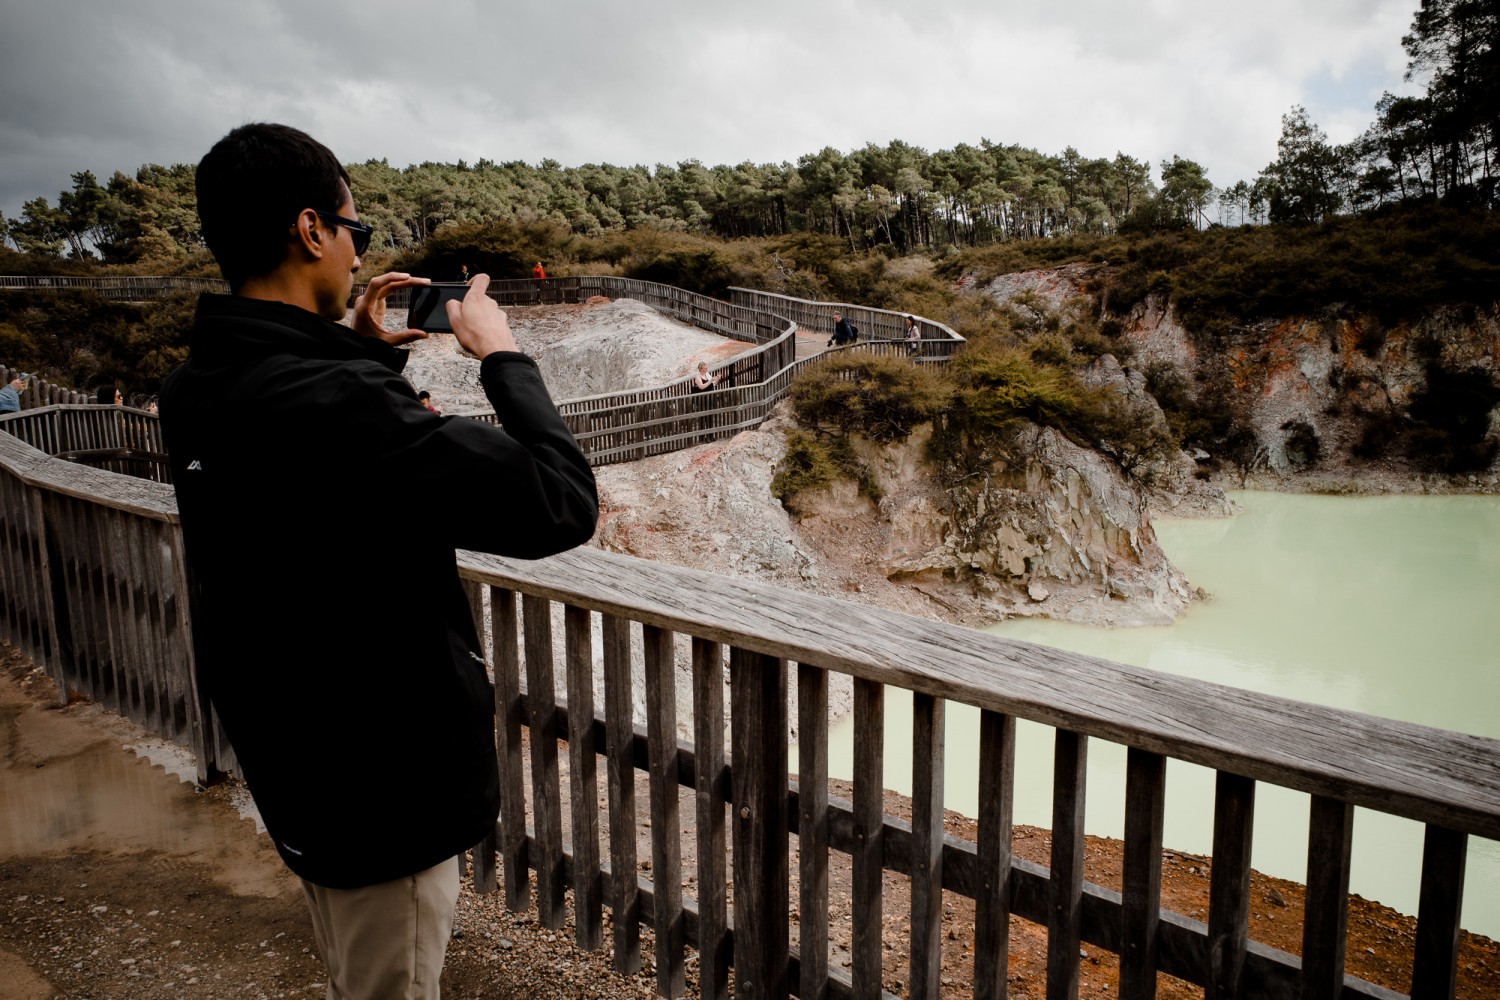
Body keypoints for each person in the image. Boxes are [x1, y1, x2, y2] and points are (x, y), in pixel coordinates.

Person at [158, 123, 598, 1000]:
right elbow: (560, 502)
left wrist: (358, 350)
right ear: (311, 228)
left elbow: (338, 483)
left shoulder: (198, 385)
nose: (360, 255)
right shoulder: (335, 400)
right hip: (382, 787)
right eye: (354, 230)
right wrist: (503, 355)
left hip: (299, 759)